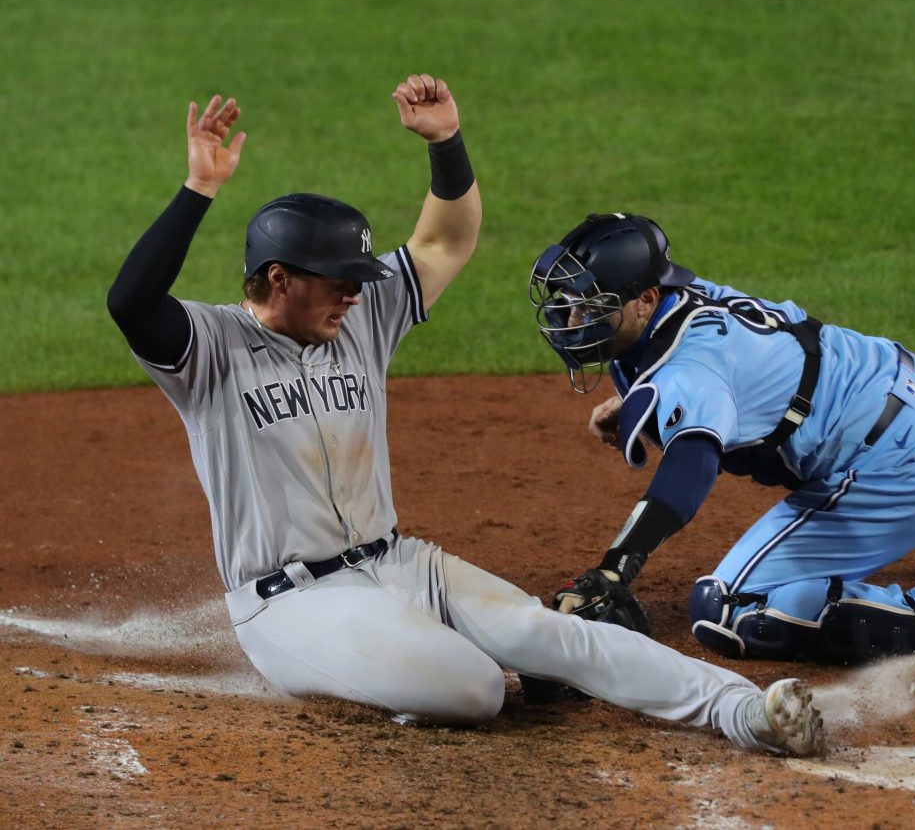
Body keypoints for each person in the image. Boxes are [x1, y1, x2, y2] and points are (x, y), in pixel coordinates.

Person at [106, 76, 822, 757]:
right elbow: (131, 303)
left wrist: (445, 143)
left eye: (360, 284)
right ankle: (432, 663)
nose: (356, 298)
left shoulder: (358, 320)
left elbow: (444, 240)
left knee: (554, 635)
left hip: (398, 562)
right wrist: (200, 187)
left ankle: (743, 710)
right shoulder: (210, 348)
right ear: (277, 278)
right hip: (292, 605)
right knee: (478, 686)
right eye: (338, 284)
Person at [529, 212, 915, 669]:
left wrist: (617, 567)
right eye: (571, 304)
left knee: (726, 609)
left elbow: (690, 471)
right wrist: (645, 403)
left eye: (591, 307)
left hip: (902, 462)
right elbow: (722, 371)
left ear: (644, 298)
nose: (572, 320)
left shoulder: (689, 371)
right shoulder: (687, 303)